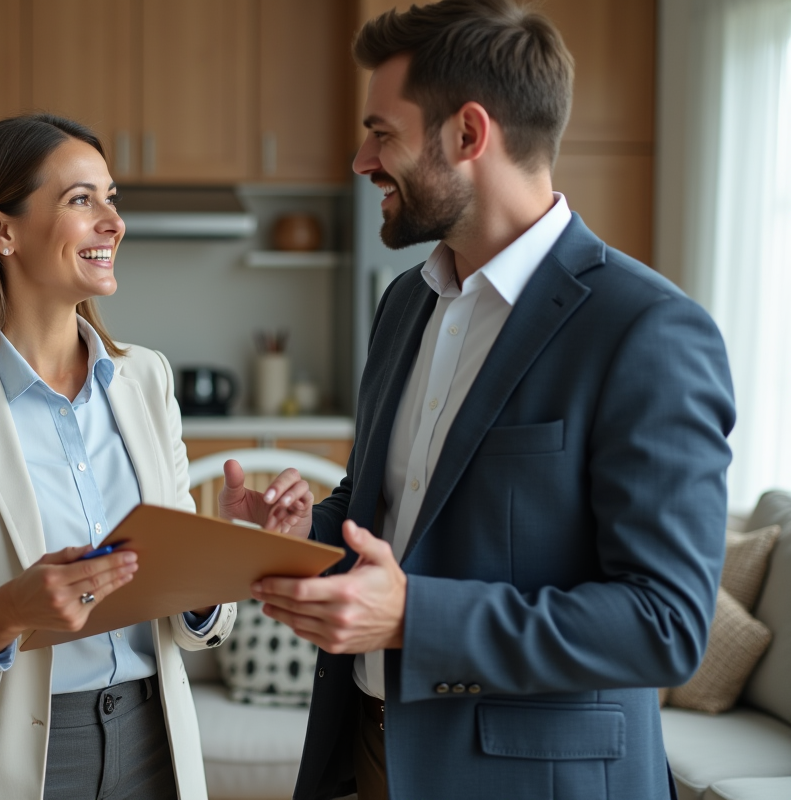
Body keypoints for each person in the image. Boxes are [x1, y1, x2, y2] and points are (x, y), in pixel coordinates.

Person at [220, 2, 734, 798]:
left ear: (468, 134)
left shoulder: (648, 330)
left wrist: (412, 619)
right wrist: (300, 536)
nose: (361, 160)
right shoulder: (403, 305)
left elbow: (663, 623)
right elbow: (384, 513)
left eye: (381, 133)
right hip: (365, 758)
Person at [0, 113, 236, 800]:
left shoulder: (146, 378)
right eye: (81, 199)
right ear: (1, 230)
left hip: (157, 749)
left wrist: (223, 554)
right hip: (7, 764)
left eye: (111, 197)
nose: (113, 222)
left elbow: (190, 625)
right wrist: (5, 613)